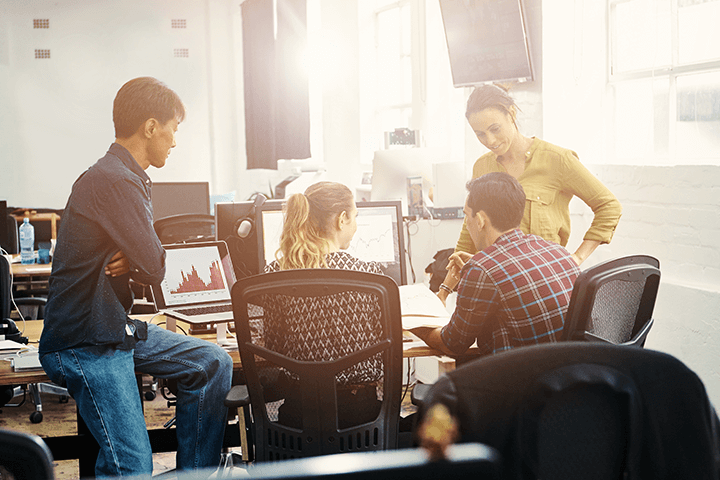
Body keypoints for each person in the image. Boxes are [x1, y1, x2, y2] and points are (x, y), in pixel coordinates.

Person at [39, 77, 233, 477]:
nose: (175, 141)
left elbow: (145, 263)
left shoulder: (120, 176)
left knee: (212, 362)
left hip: (113, 328)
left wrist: (134, 259)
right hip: (84, 340)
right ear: (150, 127)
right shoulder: (115, 180)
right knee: (132, 465)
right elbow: (155, 267)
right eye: (174, 128)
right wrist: (139, 258)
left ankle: (196, 474)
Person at [436, 84, 621, 305]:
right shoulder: (482, 167)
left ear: (511, 114)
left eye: (495, 129)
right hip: (495, 291)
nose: (490, 141)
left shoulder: (557, 160)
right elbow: (469, 232)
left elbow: (609, 206)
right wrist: (444, 291)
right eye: (480, 134)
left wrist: (576, 258)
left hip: (546, 290)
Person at [263, 181, 384, 429]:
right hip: (362, 418)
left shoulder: (276, 274)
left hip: (300, 417)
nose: (355, 225)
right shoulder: (370, 276)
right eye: (355, 217)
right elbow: (383, 345)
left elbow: (274, 349)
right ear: (342, 219)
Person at [419, 172, 581, 357]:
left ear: (480, 220)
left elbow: (452, 344)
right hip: (569, 374)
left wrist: (413, 325)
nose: (467, 223)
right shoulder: (557, 251)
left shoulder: (483, 270)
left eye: (467, 216)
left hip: (520, 380)